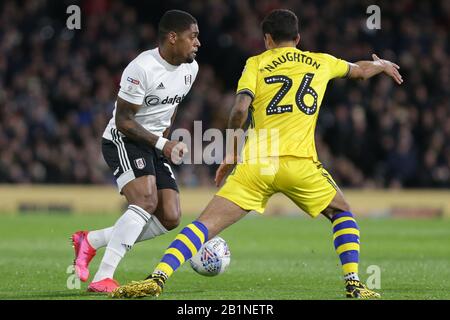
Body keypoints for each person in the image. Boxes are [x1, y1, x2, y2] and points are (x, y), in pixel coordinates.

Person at [111, 9, 402, 299]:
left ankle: (158, 276)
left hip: (257, 165)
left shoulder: (257, 64)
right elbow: (361, 70)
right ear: (298, 38)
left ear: (267, 39)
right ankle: (353, 282)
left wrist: (233, 153)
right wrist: (383, 64)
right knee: (341, 212)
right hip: (300, 164)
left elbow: (239, 110)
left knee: (203, 226)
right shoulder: (320, 61)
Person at [70, 9, 201, 293]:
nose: (198, 43)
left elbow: (171, 106)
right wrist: (161, 144)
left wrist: (164, 141)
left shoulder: (191, 69)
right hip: (123, 139)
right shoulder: (141, 68)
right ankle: (103, 276)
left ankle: (90, 241)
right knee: (145, 201)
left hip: (153, 143)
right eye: (193, 36)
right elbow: (124, 121)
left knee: (170, 216)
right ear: (172, 37)